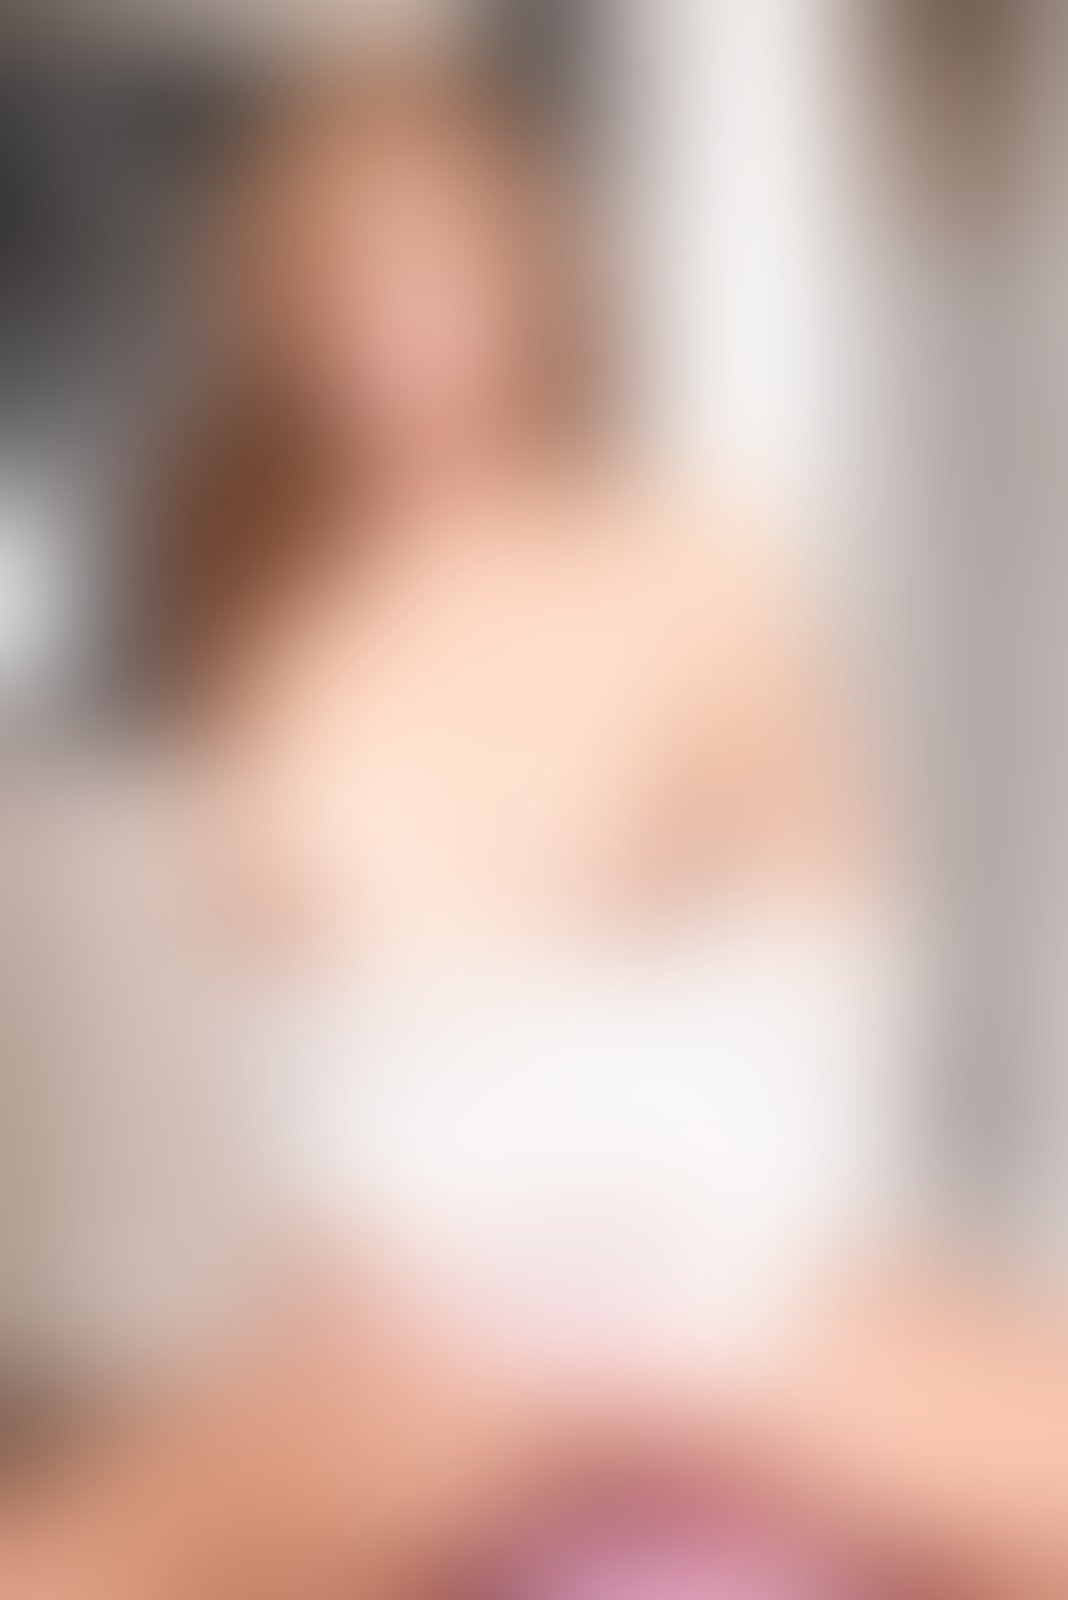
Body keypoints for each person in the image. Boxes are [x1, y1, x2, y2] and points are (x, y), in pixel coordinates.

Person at [1, 64, 1063, 1600]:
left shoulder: (684, 579)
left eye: (442, 277)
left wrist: (688, 1301)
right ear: (287, 331)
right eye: (352, 291)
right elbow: (329, 1039)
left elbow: (822, 972)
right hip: (413, 1305)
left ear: (538, 288)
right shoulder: (285, 642)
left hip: (718, 1280)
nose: (400, 338)